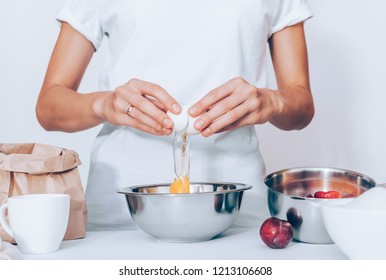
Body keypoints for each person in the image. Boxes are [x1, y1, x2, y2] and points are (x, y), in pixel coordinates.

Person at [36, 0, 314, 230]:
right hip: (121, 213)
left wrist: (272, 101)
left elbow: (301, 106)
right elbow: (49, 106)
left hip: (237, 212)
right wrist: (105, 104)